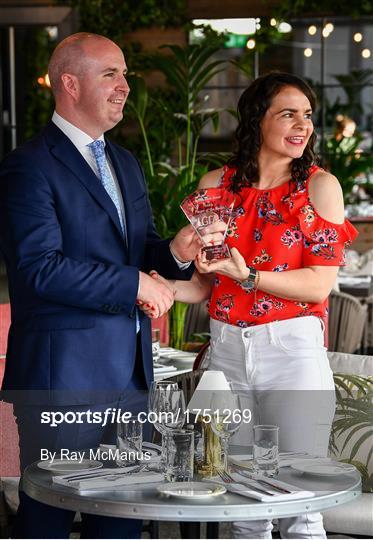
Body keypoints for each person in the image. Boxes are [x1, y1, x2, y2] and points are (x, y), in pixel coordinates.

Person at [0, 32, 219, 539]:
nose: (125, 86)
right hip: (64, 381)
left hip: (131, 378)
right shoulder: (27, 168)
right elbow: (39, 269)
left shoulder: (124, 162)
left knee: (122, 515)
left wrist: (176, 253)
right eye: (110, 75)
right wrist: (134, 282)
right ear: (70, 84)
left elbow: (140, 253)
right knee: (49, 513)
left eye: (124, 75)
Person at [148, 72, 358, 539]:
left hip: (293, 354)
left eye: (307, 115)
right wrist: (158, 288)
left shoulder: (319, 188)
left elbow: (320, 285)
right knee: (238, 500)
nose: (302, 125)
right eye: (288, 113)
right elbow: (205, 286)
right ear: (256, 120)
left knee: (299, 501)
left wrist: (251, 276)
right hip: (224, 356)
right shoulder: (216, 186)